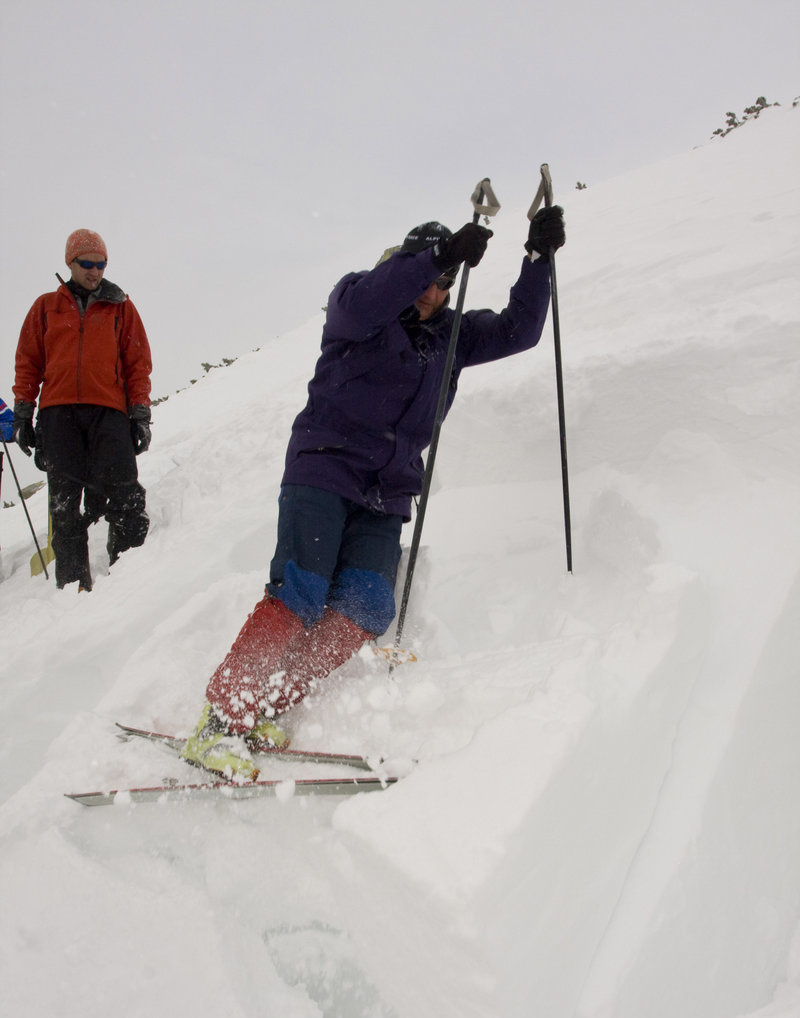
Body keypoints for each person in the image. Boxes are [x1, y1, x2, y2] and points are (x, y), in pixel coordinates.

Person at [183, 205, 566, 779]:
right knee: (301, 590)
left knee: (367, 605)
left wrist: (538, 259)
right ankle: (219, 723)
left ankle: (266, 706)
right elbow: (369, 300)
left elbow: (521, 330)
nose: (434, 292)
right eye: (428, 276)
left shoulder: (451, 337)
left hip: (387, 491)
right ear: (403, 262)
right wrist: (437, 257)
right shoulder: (357, 306)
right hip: (324, 468)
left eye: (444, 283)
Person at [12, 229, 153, 591]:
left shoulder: (121, 306)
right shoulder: (46, 307)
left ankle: (131, 580)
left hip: (109, 413)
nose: (95, 271)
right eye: (87, 263)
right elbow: (29, 361)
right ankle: (74, 591)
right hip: (58, 415)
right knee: (64, 506)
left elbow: (137, 362)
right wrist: (24, 412)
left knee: (126, 495)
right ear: (70, 263)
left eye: (101, 264)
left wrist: (139, 414)